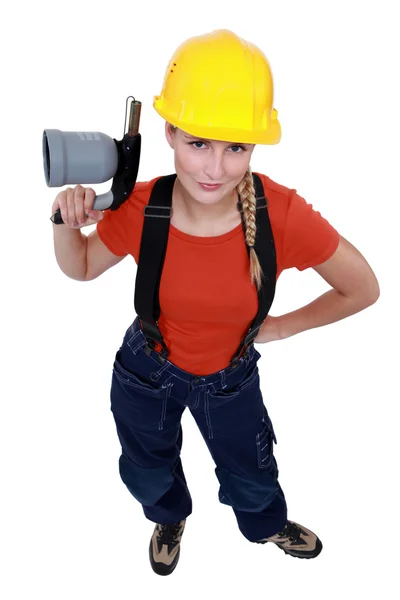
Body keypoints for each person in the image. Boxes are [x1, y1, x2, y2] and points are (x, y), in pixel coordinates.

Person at [51, 29, 380, 576]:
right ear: (170, 133)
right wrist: (65, 219)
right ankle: (169, 517)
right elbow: (80, 267)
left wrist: (281, 327)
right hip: (146, 370)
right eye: (199, 142)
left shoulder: (282, 215)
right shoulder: (141, 205)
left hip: (230, 378)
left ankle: (266, 525)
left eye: (236, 148)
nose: (214, 168)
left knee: (252, 470)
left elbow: (363, 288)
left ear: (255, 145)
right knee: (147, 466)